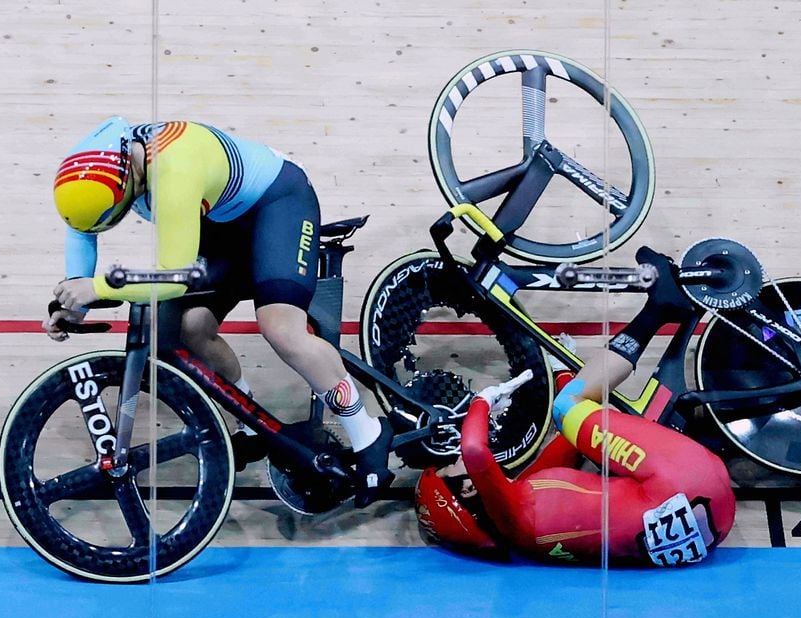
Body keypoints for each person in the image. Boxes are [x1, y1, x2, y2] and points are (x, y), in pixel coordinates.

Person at [44, 117, 393, 507]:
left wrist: (97, 287)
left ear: (130, 171)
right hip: (220, 225)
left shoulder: (174, 167)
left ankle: (367, 432)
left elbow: (173, 279)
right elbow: (82, 229)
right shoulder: (91, 169)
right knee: (189, 329)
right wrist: (74, 297)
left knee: (281, 328)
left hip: (278, 205)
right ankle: (250, 426)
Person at [415, 250, 736, 566]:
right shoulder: (512, 513)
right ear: (470, 488)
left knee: (586, 423)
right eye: (448, 467)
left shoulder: (526, 520)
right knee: (567, 407)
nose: (453, 457)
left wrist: (561, 370)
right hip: (684, 480)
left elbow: (571, 443)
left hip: (714, 524)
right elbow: (474, 449)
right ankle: (660, 306)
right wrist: (484, 401)